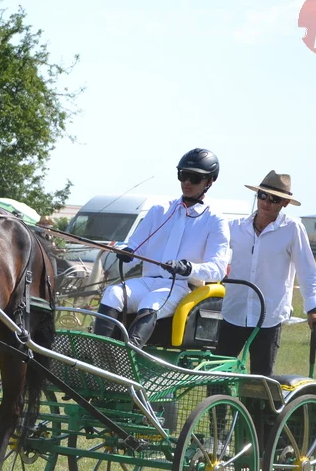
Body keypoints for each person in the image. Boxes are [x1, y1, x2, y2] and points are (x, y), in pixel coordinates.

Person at [93, 148, 230, 346]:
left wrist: (189, 268)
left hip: (181, 287)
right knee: (113, 293)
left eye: (195, 178)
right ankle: (99, 352)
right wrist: (127, 252)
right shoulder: (160, 210)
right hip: (148, 281)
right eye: (183, 175)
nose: (187, 182)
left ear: (210, 181)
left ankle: (130, 355)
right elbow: (136, 247)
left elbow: (217, 269)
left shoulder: (215, 219)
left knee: (152, 302)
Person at [217, 171, 316, 375]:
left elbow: (307, 270)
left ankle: (257, 408)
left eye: (274, 199)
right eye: (262, 196)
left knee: (260, 378)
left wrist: (313, 309)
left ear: (284, 203)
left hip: (269, 316)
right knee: (217, 373)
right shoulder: (235, 227)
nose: (266, 202)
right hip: (233, 311)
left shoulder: (293, 229)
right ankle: (219, 408)